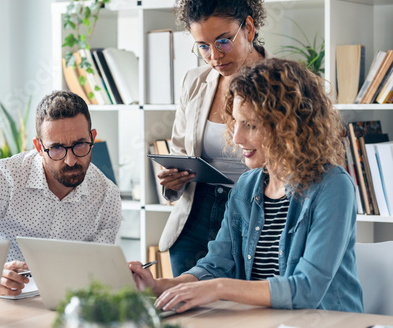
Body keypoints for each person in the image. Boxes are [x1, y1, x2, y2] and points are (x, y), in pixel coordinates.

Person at [131, 58, 364, 313]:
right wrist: (160, 286)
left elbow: (306, 289)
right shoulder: (247, 185)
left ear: (287, 127)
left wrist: (220, 288)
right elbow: (214, 265)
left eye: (251, 125)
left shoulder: (333, 187)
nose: (236, 137)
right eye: (236, 122)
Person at [0, 90, 122, 296]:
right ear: (39, 146)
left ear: (93, 138)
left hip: (64, 306)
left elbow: (97, 271)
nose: (71, 161)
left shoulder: (107, 196)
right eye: (56, 148)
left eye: (80, 145)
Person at [159, 0, 272, 276]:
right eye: (203, 47)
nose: (214, 56)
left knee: (245, 315)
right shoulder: (194, 82)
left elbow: (296, 163)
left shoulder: (283, 83)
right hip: (195, 218)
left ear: (248, 28)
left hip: (257, 215)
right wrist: (173, 181)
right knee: (190, 315)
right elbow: (180, 152)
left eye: (223, 41)